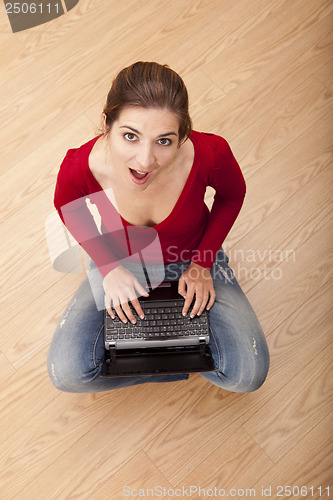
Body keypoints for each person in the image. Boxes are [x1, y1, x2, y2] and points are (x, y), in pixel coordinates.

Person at [47, 61, 269, 393]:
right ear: (107, 124)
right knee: (68, 373)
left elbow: (232, 195)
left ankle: (167, 355)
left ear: (183, 136)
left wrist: (202, 263)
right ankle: (183, 362)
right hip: (119, 261)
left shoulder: (211, 153)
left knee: (247, 375)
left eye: (164, 141)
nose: (145, 160)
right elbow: (68, 209)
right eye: (130, 136)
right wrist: (108, 268)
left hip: (192, 256)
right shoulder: (81, 167)